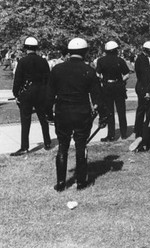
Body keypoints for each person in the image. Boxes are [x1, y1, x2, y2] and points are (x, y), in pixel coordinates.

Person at [47, 38, 108, 191]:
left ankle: (61, 183)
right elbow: (97, 97)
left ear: (69, 51)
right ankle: (81, 181)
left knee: (63, 147)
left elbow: (49, 95)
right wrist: (103, 115)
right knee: (81, 146)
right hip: (81, 112)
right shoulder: (88, 70)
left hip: (62, 112)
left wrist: (49, 114)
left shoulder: (57, 69)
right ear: (85, 52)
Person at [10, 37, 52, 156]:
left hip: (27, 93)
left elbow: (18, 79)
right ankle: (47, 142)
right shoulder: (43, 61)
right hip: (40, 92)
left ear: (26, 48)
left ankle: (24, 147)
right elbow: (48, 79)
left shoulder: (22, 61)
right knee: (43, 119)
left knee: (25, 120)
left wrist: (16, 93)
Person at [96, 41, 130, 142]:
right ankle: (124, 134)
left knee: (109, 112)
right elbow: (127, 74)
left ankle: (111, 135)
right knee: (121, 111)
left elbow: (97, 74)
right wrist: (121, 81)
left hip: (107, 87)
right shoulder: (120, 60)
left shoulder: (101, 60)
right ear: (116, 50)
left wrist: (103, 80)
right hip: (118, 86)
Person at [133, 41, 150, 151]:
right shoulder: (143, 60)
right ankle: (145, 134)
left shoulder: (141, 58)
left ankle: (139, 132)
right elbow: (145, 77)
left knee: (142, 110)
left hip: (143, 87)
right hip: (145, 88)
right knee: (148, 111)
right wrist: (147, 91)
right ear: (148, 50)